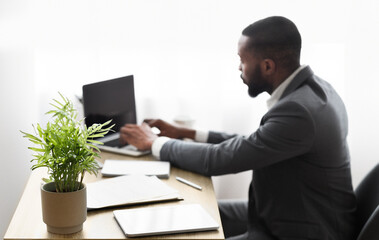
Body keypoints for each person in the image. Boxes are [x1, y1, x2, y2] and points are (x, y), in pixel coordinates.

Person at [120, 16, 357, 240]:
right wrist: (186, 133)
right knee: (187, 213)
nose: (239, 68)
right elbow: (255, 142)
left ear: (267, 66)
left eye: (242, 60)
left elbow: (220, 160)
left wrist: (154, 143)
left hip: (302, 231)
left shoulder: (299, 112)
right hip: (285, 215)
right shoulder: (315, 91)